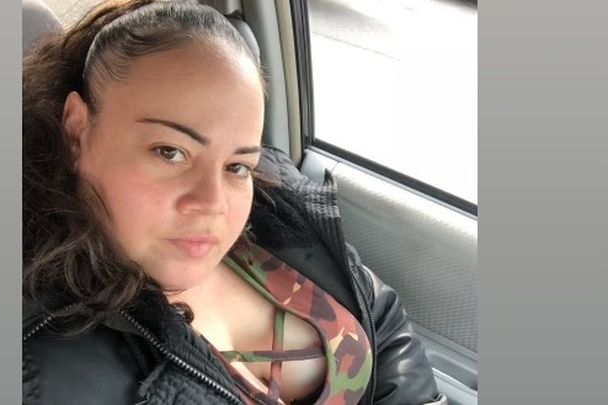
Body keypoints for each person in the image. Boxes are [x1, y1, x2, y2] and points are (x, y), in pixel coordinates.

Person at [22, 1, 446, 404]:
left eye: (237, 166)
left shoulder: (274, 195)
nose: (213, 203)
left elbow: (377, 312)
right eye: (170, 152)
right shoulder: (42, 364)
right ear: (77, 131)